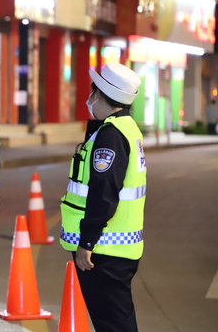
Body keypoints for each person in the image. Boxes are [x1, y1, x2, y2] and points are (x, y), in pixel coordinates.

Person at [60, 62, 146, 332]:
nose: (89, 99)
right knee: (116, 321)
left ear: (100, 95)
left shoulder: (111, 135)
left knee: (113, 325)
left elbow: (103, 192)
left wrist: (87, 241)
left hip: (104, 250)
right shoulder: (126, 129)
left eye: (92, 93)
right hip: (118, 247)